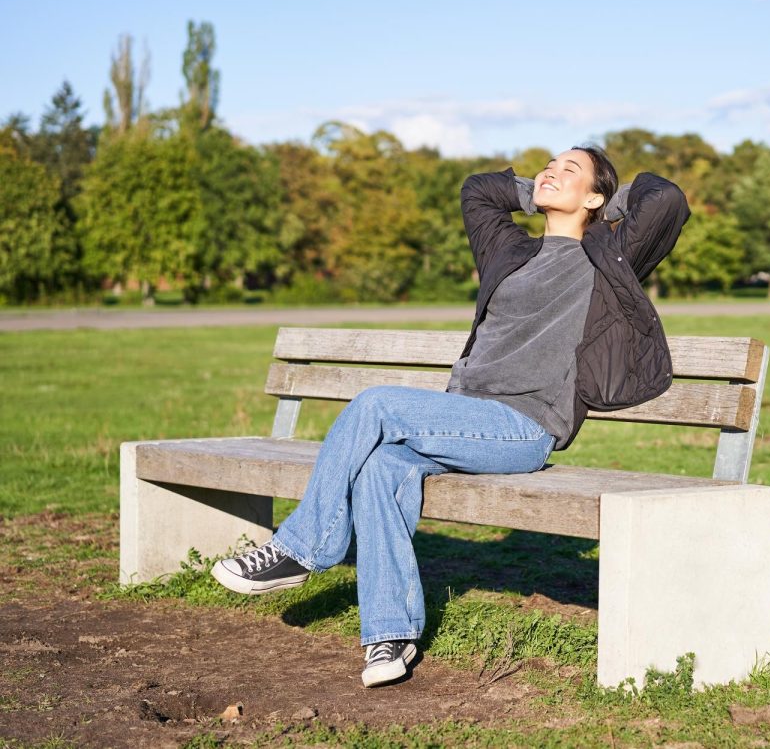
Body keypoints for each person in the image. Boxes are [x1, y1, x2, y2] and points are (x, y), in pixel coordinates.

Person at [209, 145, 690, 688]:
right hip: (465, 416)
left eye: (570, 170)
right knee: (380, 468)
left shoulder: (608, 258)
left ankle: (303, 547)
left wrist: (605, 206)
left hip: (525, 427)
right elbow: (477, 191)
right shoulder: (509, 251)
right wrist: (537, 191)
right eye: (549, 165)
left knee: (376, 404)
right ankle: (389, 636)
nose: (552, 172)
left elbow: (666, 198)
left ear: (596, 195)